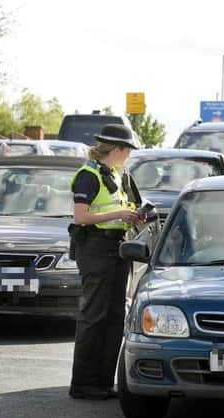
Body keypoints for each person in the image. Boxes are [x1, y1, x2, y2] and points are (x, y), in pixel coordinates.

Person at [68, 124, 144, 400]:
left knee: (114, 318)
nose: (129, 156)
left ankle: (102, 382)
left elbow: (117, 209)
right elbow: (81, 217)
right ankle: (82, 383)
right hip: (95, 249)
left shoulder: (116, 174)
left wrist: (133, 215)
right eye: (128, 151)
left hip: (117, 248)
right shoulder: (88, 175)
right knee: (94, 317)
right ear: (118, 149)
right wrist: (120, 213)